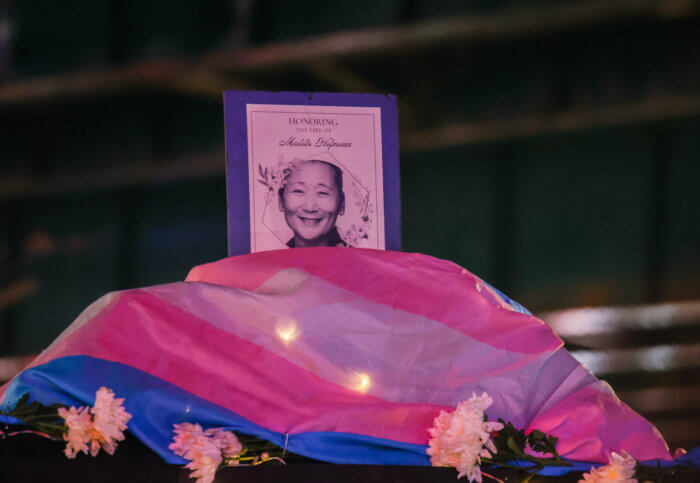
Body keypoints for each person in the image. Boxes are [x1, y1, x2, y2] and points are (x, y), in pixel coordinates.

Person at [278, 159, 347, 247]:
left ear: (341, 204)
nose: (309, 208)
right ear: (280, 201)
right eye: (298, 191)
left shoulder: (354, 258)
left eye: (322, 193)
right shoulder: (272, 256)